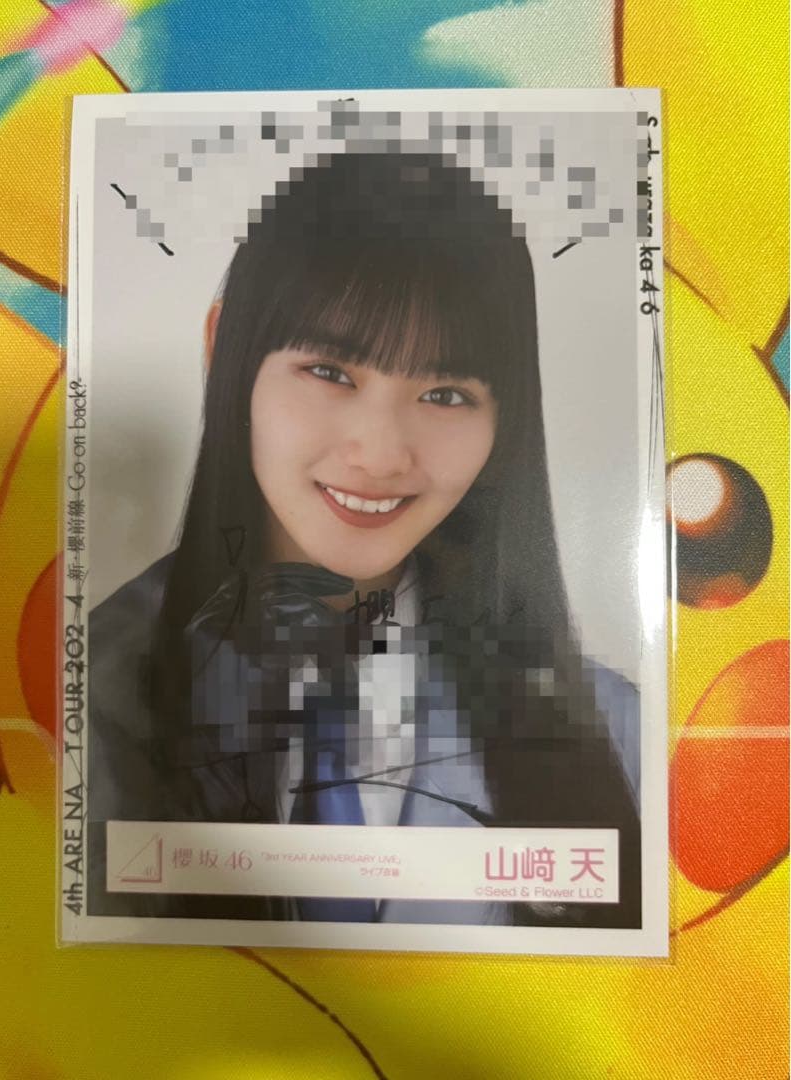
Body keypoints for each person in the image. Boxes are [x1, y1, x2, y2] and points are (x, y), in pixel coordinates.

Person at [88, 151, 641, 928]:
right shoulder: (84, 694)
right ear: (222, 350)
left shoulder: (612, 730)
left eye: (445, 393)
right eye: (329, 372)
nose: (381, 456)